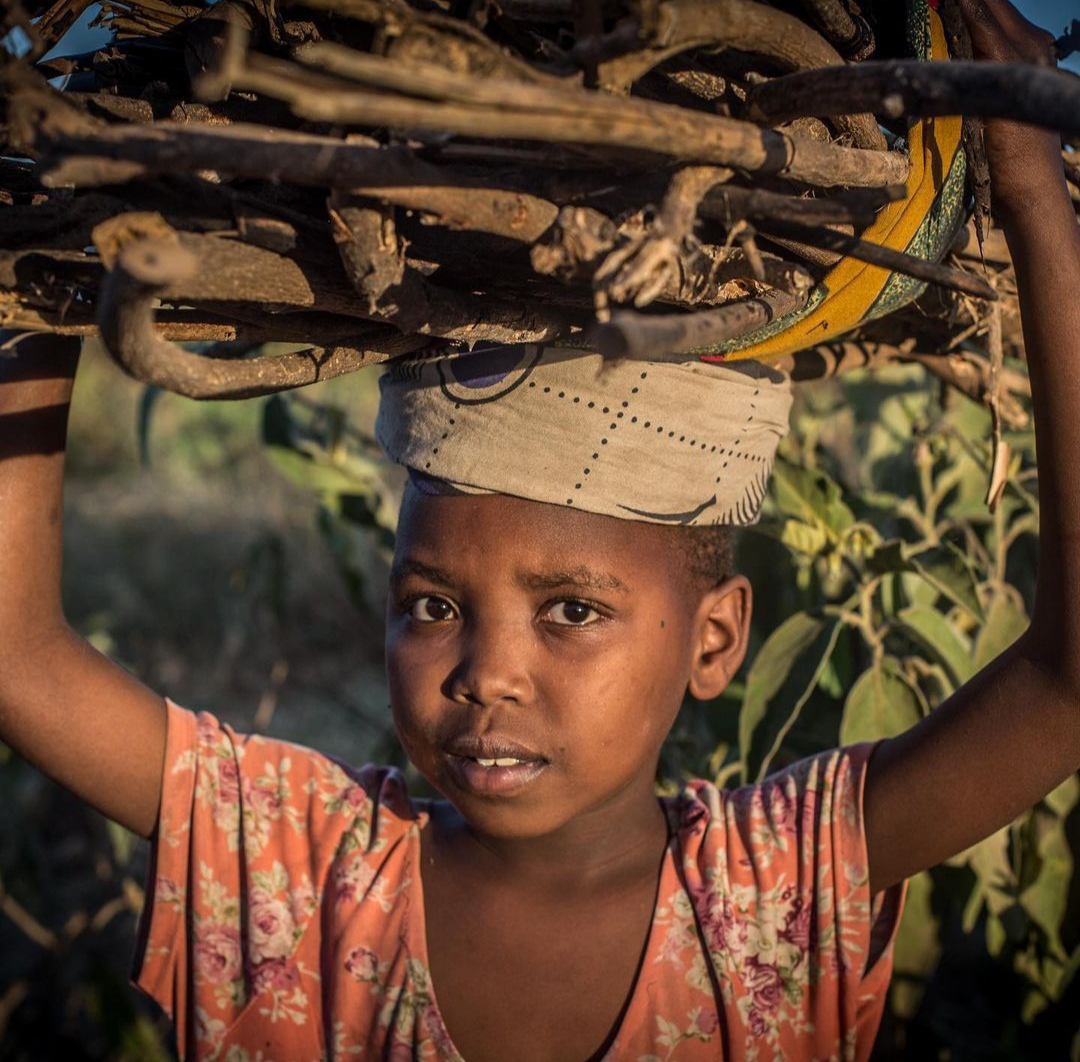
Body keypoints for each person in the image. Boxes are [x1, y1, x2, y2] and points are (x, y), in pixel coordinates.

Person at [1, 1, 1076, 1059]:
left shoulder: (773, 897)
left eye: (570, 609)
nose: (485, 676)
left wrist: (1031, 189)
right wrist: (42, 242)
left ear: (715, 638)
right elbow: (18, 657)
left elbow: (1065, 686)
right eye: (433, 605)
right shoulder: (307, 874)